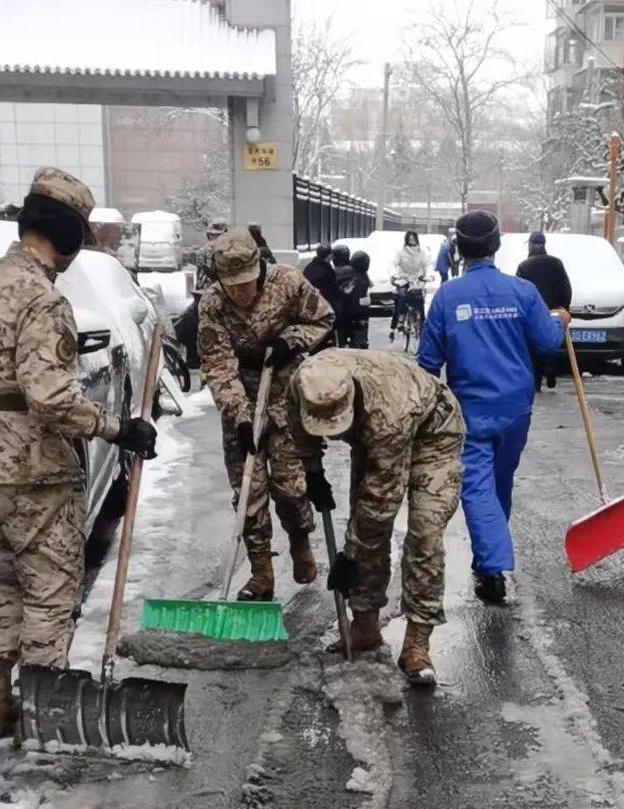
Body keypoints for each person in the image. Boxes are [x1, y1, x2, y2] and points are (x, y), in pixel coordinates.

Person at [0, 168, 158, 738]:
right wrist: (116, 428)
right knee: (51, 590)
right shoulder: (44, 302)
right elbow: (51, 398)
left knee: (5, 582)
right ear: (69, 235)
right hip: (35, 474)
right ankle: (42, 710)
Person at [417, 211, 570, 605]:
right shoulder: (521, 292)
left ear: (459, 249)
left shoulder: (448, 297)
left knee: (478, 487)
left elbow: (428, 361)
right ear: (496, 245)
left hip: (470, 409)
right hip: (516, 407)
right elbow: (547, 342)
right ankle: (490, 562)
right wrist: (561, 321)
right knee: (498, 483)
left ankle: (492, 565)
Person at [289, 349, 464, 686]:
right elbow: (296, 428)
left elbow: (381, 504)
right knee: (363, 523)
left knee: (422, 533)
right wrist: (312, 470)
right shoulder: (303, 382)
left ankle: (417, 643)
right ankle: (365, 627)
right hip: (371, 435)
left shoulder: (388, 411)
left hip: (434, 429)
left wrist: (349, 557)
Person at [199, 229, 335, 601]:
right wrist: (240, 417)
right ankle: (261, 572)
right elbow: (217, 364)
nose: (241, 293)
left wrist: (291, 341)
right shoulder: (212, 304)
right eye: (233, 286)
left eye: (247, 284)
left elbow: (322, 319)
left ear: (259, 270)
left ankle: (300, 539)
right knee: (249, 491)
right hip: (242, 399)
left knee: (291, 489)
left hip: (287, 395)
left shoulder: (288, 282)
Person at [516, 231, 573, 391]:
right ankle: (550, 369)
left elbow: (520, 292)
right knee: (551, 341)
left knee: (534, 345)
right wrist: (564, 307)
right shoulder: (556, 263)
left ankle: (536, 381)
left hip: (534, 312)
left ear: (530, 245)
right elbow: (566, 287)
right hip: (554, 310)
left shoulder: (524, 266)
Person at [389, 230, 429, 341]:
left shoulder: (422, 252)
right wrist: (395, 276)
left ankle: (422, 323)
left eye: (413, 238)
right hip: (404, 279)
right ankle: (400, 320)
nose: (412, 241)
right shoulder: (400, 252)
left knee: (420, 300)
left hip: (417, 280)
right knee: (402, 296)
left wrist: (424, 277)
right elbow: (393, 264)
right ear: (406, 240)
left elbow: (425, 265)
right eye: (410, 239)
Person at [335, 250, 373, 349]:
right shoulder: (364, 275)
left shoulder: (341, 271)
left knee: (341, 333)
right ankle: (362, 342)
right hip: (359, 311)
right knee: (362, 328)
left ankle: (342, 343)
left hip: (343, 309)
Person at [196, 219, 229, 293]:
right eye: (213, 235)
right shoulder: (204, 250)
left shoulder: (229, 250)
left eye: (218, 235)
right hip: (209, 288)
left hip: (225, 287)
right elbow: (200, 271)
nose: (216, 238)